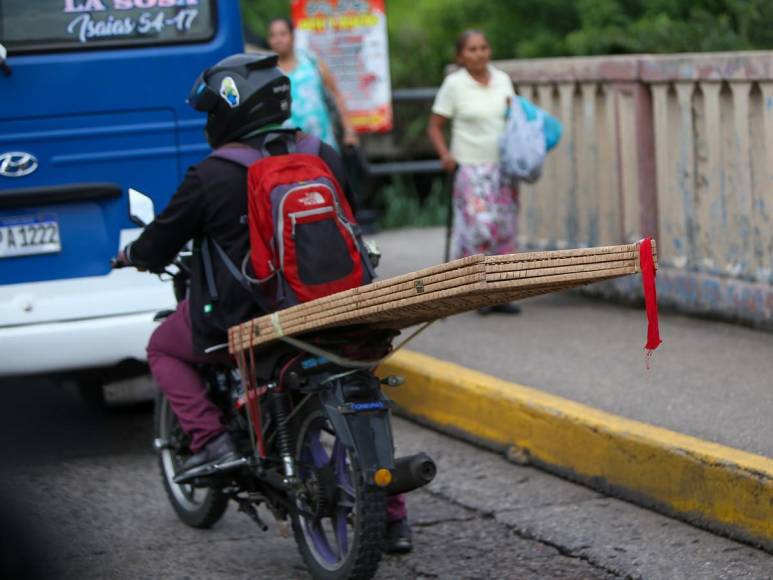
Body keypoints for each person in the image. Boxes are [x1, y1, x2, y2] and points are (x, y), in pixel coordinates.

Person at [116, 52, 412, 553]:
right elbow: (353, 218)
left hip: (249, 316)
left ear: (232, 110)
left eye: (212, 111)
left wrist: (130, 255)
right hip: (333, 305)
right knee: (360, 388)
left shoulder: (209, 175)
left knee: (164, 347)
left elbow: (160, 242)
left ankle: (211, 440)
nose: (210, 121)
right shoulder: (322, 152)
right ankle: (394, 514)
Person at [427, 29, 521, 315]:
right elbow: (435, 125)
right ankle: (476, 291)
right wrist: (445, 154)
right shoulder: (454, 85)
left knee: (504, 231)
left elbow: (514, 117)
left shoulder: (502, 79)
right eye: (472, 49)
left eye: (483, 48)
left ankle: (502, 292)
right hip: (470, 166)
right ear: (460, 56)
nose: (479, 54)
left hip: (502, 167)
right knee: (479, 228)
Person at [266, 17, 358, 151]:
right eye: (273, 35)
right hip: (286, 149)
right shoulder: (267, 72)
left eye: (283, 34)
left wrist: (350, 131)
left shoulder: (311, 62)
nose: (278, 39)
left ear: (293, 35)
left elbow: (336, 95)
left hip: (322, 142)